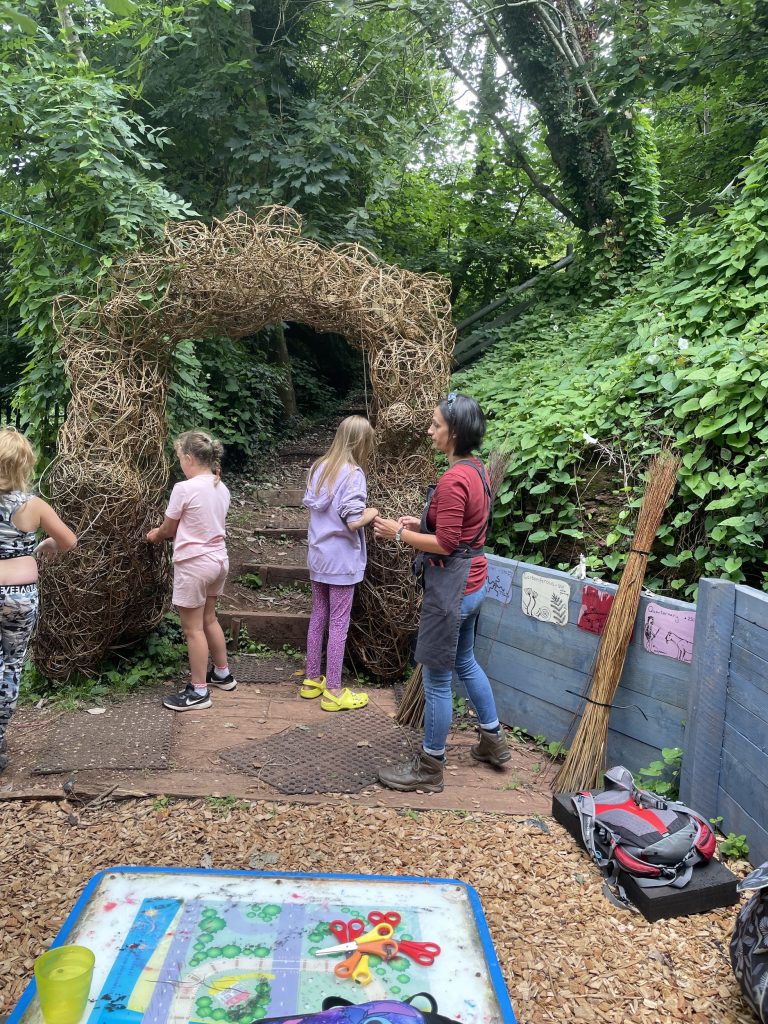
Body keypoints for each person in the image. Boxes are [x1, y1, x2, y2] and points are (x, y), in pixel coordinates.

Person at [373, 393, 510, 793]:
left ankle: (430, 767)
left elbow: (447, 543)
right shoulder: (476, 470)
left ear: (454, 433)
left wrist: (399, 533)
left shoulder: (453, 479)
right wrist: (420, 522)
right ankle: (492, 742)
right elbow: (461, 529)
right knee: (465, 661)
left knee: (436, 679)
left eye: (436, 425)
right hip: (474, 581)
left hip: (452, 589)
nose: (430, 431)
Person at [0, 429, 77, 773]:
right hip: (20, 597)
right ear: (23, 465)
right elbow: (69, 541)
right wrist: (45, 545)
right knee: (11, 666)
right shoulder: (33, 506)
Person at [147, 430, 236, 711]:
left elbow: (168, 529)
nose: (179, 463)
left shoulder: (183, 489)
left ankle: (198, 692)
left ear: (188, 458)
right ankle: (222, 673)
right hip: (219, 561)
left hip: (195, 564)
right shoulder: (221, 487)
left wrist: (153, 537)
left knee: (192, 629)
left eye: (178, 458)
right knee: (209, 618)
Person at [300, 416, 378, 712]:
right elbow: (352, 520)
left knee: (318, 614)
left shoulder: (319, 468)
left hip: (319, 556)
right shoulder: (353, 474)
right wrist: (372, 513)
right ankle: (333, 689)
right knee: (339, 623)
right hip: (342, 562)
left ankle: (311, 680)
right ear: (361, 442)